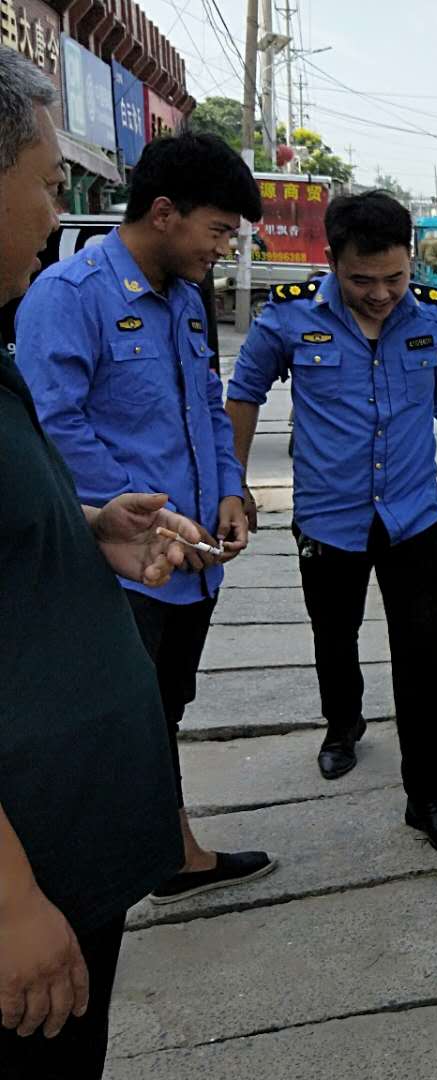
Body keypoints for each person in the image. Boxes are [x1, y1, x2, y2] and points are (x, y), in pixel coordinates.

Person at [0, 46, 204, 1077]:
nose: (55, 215)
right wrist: (10, 901)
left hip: (67, 855)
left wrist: (87, 526)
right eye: (46, 184)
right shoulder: (64, 298)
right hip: (24, 892)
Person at [15, 132, 275, 903]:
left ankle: (170, 852)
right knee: (122, 721)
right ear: (164, 213)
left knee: (164, 707)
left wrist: (229, 491)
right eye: (217, 231)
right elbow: (56, 428)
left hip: (191, 564)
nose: (222, 249)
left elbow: (207, 404)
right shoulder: (70, 296)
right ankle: (120, 871)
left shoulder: (187, 300)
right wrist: (148, 521)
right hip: (126, 567)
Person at [225, 191, 437, 861]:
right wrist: (234, 482)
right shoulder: (289, 317)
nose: (381, 294)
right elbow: (244, 392)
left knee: (422, 653)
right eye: (363, 280)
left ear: (410, 262)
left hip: (413, 516)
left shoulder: (432, 318)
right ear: (332, 260)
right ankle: (342, 725)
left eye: (395, 277)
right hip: (328, 516)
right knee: (333, 634)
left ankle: (426, 793)